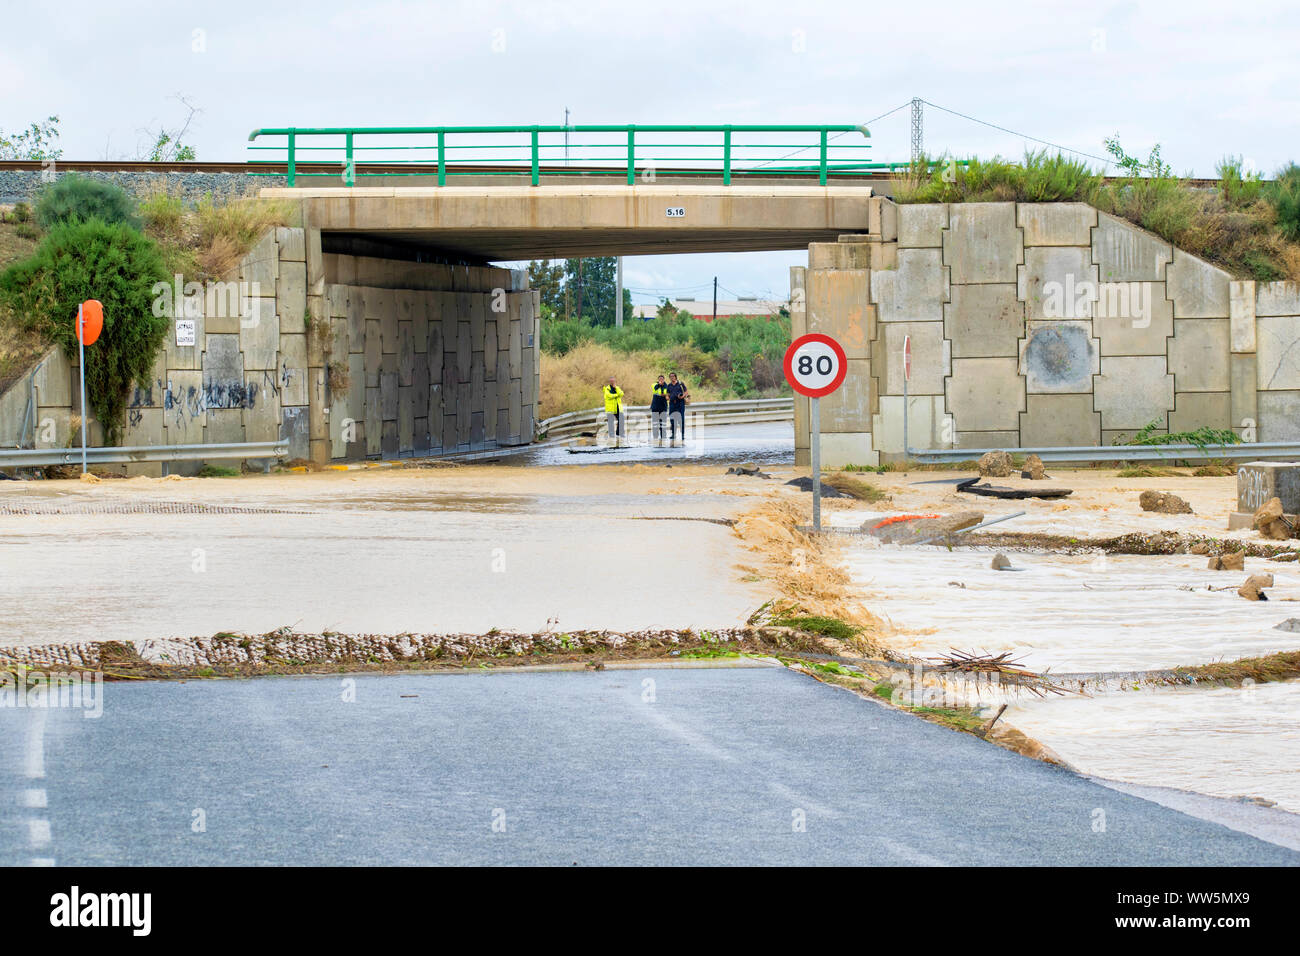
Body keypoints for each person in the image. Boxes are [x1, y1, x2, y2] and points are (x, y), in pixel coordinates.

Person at [666, 372, 690, 446]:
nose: (672, 377)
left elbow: (686, 392)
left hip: (680, 404)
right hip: (672, 404)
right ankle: (673, 434)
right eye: (670, 376)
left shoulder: (680, 383)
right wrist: (667, 397)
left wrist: (683, 396)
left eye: (673, 376)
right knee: (672, 419)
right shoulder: (669, 385)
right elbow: (667, 394)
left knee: (681, 419)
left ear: (676, 377)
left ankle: (682, 435)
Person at [602, 376, 625, 446]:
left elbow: (622, 394)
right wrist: (617, 395)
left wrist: (616, 389)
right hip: (610, 408)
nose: (612, 382)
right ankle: (611, 438)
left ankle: (618, 435)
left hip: (618, 407)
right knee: (611, 424)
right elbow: (609, 396)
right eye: (611, 381)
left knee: (621, 420)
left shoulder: (617, 388)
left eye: (613, 381)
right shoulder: (606, 389)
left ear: (615, 381)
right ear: (609, 382)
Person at [650, 374, 669, 446]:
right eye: (659, 379)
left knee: (663, 423)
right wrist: (659, 385)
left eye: (662, 379)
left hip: (663, 407)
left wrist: (664, 394)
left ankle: (663, 437)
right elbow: (655, 388)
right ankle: (655, 437)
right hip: (655, 407)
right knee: (655, 423)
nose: (661, 380)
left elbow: (666, 394)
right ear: (658, 380)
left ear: (664, 380)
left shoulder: (667, 386)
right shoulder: (654, 384)